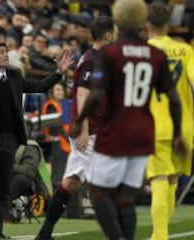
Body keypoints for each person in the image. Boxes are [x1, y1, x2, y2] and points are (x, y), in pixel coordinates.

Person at [70, 0, 188, 240]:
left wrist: (79, 119)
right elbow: (174, 99)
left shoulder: (109, 53)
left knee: (99, 192)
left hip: (116, 129)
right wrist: (177, 134)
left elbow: (97, 94)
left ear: (119, 19)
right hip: (144, 132)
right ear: (141, 20)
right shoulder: (155, 54)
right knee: (126, 198)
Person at [0, 42, 73, 240]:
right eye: (1, 52)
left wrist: (59, 72)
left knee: (5, 184)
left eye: (6, 52)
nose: (6, 55)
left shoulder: (14, 75)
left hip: (10, 139)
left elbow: (38, 86)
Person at [35, 15, 117, 240]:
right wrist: (83, 128)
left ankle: (44, 233)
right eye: (115, 32)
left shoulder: (96, 58)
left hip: (93, 129)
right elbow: (82, 94)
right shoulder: (92, 60)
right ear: (108, 34)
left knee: (70, 182)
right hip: (89, 132)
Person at [145, 3, 194, 240]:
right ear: (169, 24)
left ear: (147, 25)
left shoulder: (142, 51)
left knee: (159, 179)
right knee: (173, 179)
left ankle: (160, 236)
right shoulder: (185, 50)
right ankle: (158, 235)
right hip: (184, 126)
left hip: (154, 124)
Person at [41, 82, 70, 190]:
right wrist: (68, 139)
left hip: (63, 142)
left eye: (62, 89)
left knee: (61, 173)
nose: (60, 92)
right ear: (52, 93)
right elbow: (56, 127)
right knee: (57, 174)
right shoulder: (50, 106)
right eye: (57, 90)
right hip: (56, 144)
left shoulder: (63, 105)